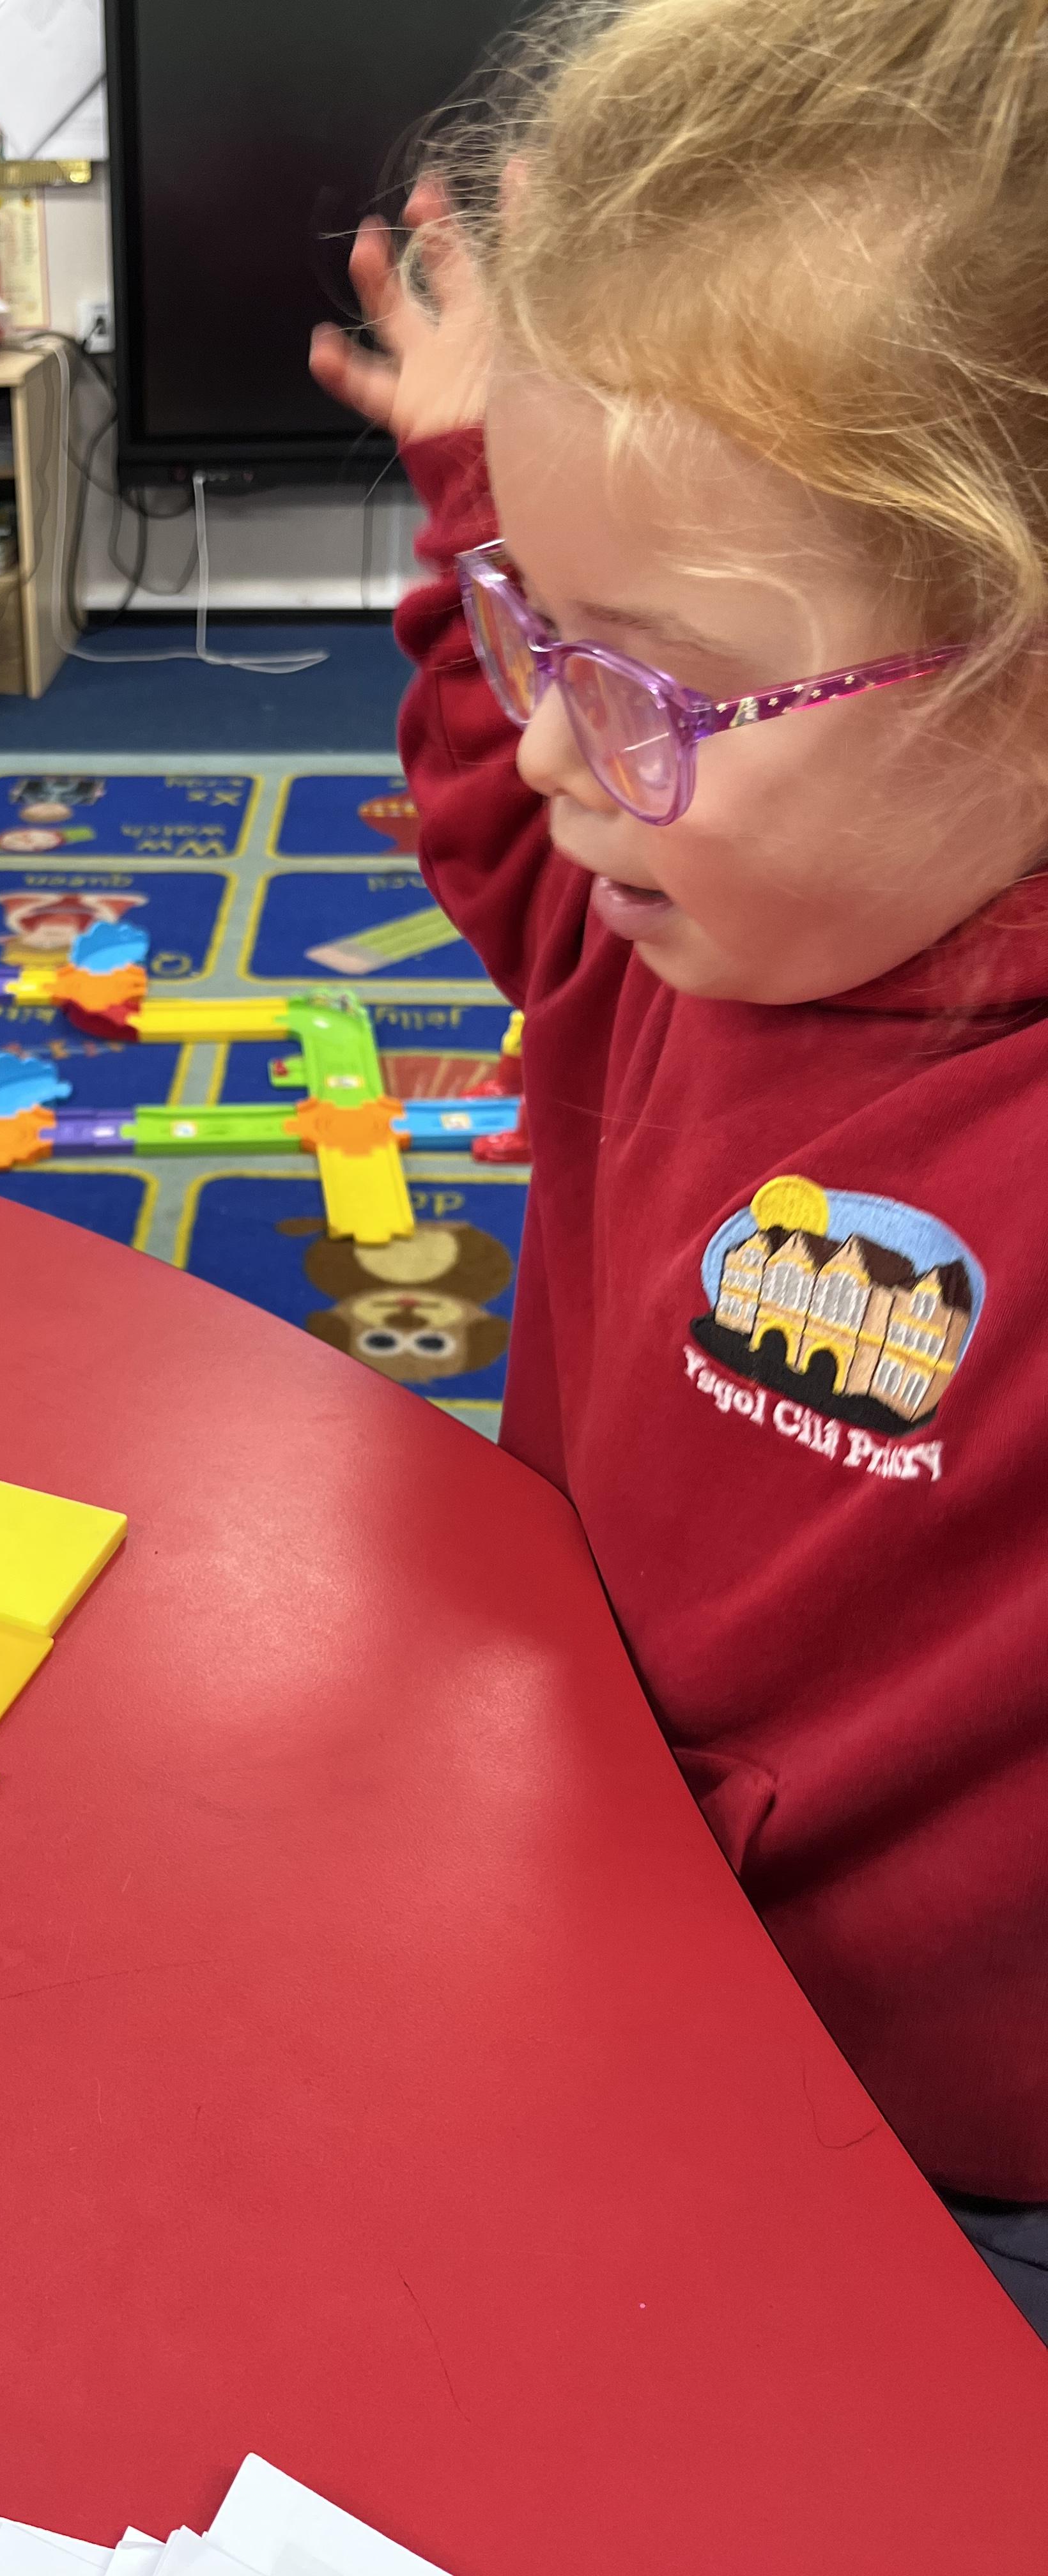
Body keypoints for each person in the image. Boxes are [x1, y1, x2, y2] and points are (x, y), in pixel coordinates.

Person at [312, 0, 1048, 2339]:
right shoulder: (658, 917)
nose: (555, 749)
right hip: (603, 1923)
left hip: (960, 2165)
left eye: (647, 680)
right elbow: (488, 779)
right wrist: (473, 505)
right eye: (543, 630)